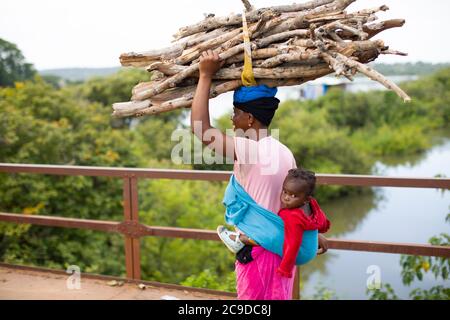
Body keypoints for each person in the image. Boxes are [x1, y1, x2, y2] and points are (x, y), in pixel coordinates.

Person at [190, 49, 329, 300]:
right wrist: (310, 236)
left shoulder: (249, 150)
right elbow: (297, 204)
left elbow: (201, 129)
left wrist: (204, 75)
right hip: (282, 250)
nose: (233, 121)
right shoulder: (283, 150)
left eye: (236, 114)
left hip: (259, 253)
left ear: (250, 118)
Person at [218, 168, 330, 278]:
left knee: (271, 235)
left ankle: (240, 240)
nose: (286, 198)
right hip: (311, 249)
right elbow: (322, 220)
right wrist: (318, 232)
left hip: (299, 255)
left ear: (306, 199)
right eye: (285, 191)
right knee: (277, 232)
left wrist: (285, 269)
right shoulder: (312, 204)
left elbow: (293, 244)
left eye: (293, 196)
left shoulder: (292, 216)